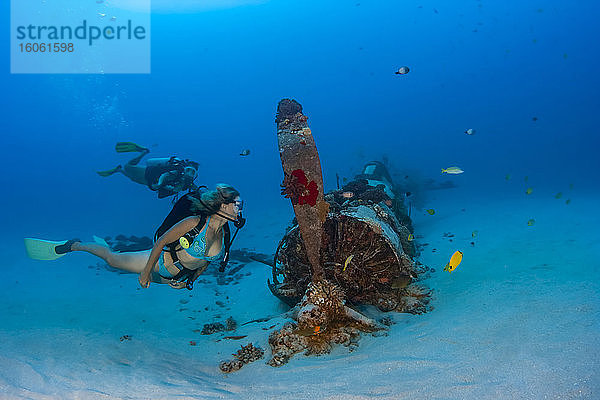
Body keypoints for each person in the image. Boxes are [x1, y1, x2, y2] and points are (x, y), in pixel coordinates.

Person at [24, 184, 245, 290]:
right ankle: (74, 245)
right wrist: (146, 272)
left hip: (174, 277)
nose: (240, 209)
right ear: (223, 205)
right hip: (158, 264)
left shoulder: (225, 233)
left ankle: (96, 246)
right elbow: (160, 242)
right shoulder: (194, 223)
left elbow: (205, 262)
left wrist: (190, 280)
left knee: (115, 258)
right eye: (237, 205)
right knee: (111, 259)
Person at [97, 142, 199, 199]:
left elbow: (179, 188)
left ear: (195, 175)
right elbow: (165, 176)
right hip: (150, 172)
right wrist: (159, 184)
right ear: (185, 168)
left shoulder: (187, 183)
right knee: (128, 167)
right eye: (189, 170)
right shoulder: (177, 170)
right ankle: (144, 152)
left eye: (193, 172)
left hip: (151, 182)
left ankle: (119, 170)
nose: (189, 174)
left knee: (133, 179)